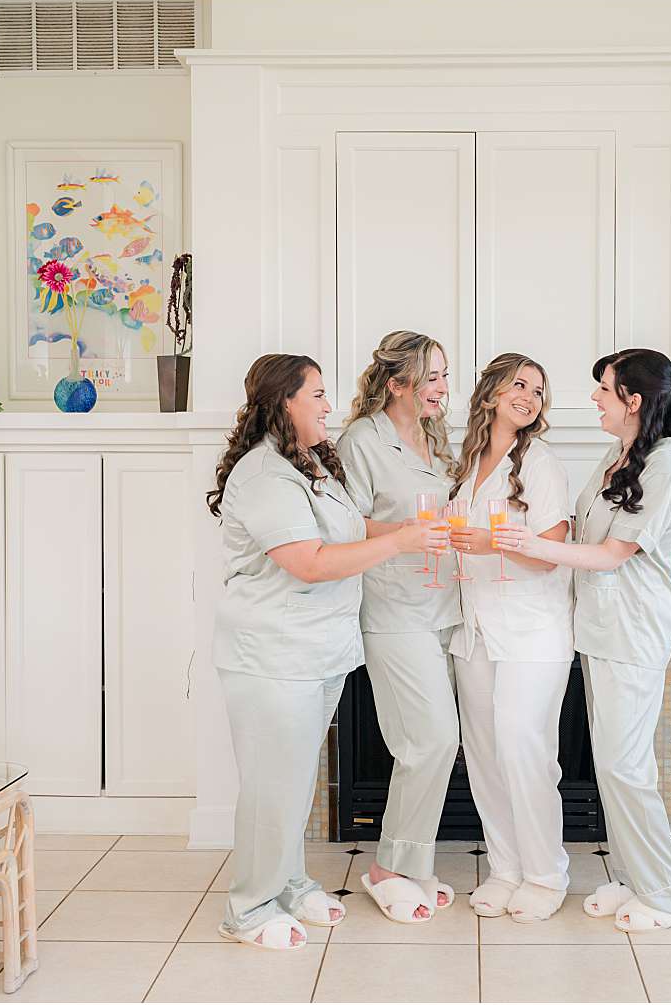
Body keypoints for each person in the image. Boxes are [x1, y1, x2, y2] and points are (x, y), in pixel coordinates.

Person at [207, 353, 446, 950]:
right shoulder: (264, 475)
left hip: (316, 653)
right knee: (271, 785)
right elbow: (309, 562)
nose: (328, 405)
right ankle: (250, 907)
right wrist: (403, 544)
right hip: (272, 655)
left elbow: (347, 530)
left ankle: (287, 882)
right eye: (316, 394)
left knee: (291, 782)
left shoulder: (308, 464)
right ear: (285, 400)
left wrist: (409, 532)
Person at [493, 348, 671, 932]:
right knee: (615, 764)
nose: (594, 399)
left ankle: (667, 892)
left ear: (633, 401)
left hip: (634, 631)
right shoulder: (622, 456)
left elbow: (612, 554)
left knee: (624, 766)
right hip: (603, 628)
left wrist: (530, 545)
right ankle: (639, 878)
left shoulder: (663, 468)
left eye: (604, 391)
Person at [335, 330, 462, 924]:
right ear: (398, 383)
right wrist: (409, 536)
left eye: (443, 375)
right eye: (432, 377)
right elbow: (346, 526)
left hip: (445, 606)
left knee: (432, 743)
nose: (443, 387)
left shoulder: (436, 438)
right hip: (392, 611)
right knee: (430, 740)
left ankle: (413, 861)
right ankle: (390, 865)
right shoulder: (362, 440)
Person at [445, 353, 575, 923]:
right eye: (519, 385)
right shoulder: (466, 460)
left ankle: (545, 874)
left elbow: (552, 552)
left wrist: (491, 544)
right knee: (486, 755)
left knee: (525, 751)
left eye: (539, 391)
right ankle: (505, 868)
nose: (529, 396)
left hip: (531, 631)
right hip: (474, 630)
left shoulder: (541, 462)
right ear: (492, 392)